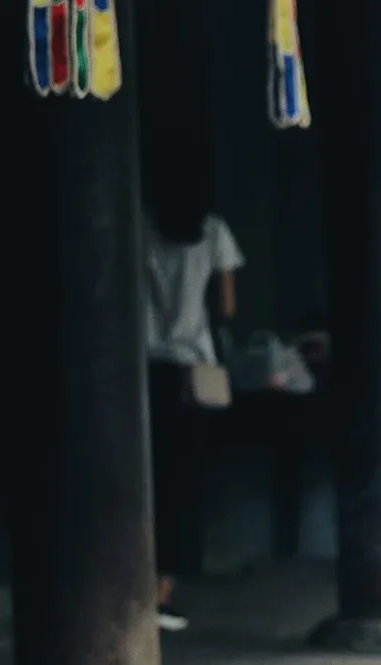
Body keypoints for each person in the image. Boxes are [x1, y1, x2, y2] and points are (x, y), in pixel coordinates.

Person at [143, 199, 243, 631]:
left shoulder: (138, 223)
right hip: (190, 372)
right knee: (180, 486)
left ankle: (122, 587)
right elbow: (226, 308)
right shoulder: (213, 229)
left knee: (139, 479)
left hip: (138, 369)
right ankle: (160, 593)